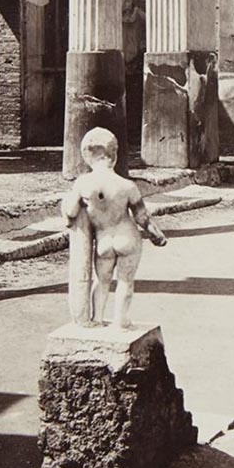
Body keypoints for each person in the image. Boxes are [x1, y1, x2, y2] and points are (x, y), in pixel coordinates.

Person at [61, 127, 167, 328]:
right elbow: (142, 217)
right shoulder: (126, 185)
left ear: (87, 156)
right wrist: (157, 234)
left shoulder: (83, 184)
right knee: (125, 281)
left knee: (101, 281)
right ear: (113, 154)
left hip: (104, 240)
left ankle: (97, 318)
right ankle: (120, 320)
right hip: (127, 237)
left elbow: (71, 214)